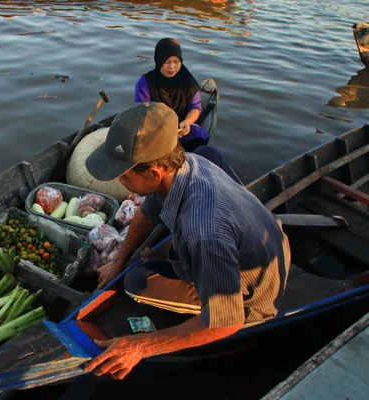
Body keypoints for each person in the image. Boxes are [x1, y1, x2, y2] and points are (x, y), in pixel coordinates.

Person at [83, 102, 291, 380]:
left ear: (153, 173)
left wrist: (141, 347)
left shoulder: (203, 232)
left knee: (136, 282)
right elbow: (147, 212)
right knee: (208, 152)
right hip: (271, 245)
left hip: (254, 297)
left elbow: (226, 322)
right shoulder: (190, 162)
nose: (121, 182)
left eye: (124, 175)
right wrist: (119, 258)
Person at [135, 38, 208, 152]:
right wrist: (164, 131)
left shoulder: (187, 80)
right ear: (159, 61)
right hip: (155, 131)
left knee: (200, 135)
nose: (172, 67)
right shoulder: (145, 83)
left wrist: (186, 122)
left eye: (176, 61)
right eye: (167, 62)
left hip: (181, 129)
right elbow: (142, 113)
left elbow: (195, 108)